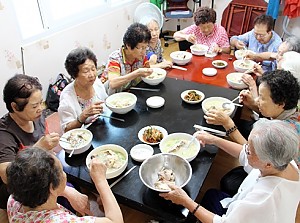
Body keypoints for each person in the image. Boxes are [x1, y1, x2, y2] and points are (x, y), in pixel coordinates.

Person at [160, 119, 300, 223]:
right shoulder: (284, 160)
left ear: (267, 164)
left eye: (249, 150)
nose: (245, 149)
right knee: (211, 195)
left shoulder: (262, 199)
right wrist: (214, 139)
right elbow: (244, 155)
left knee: (191, 206)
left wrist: (185, 201)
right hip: (239, 207)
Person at [0, 74, 90, 215]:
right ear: (15, 107)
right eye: (35, 106)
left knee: (79, 175)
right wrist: (39, 148)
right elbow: (6, 176)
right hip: (26, 190)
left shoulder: (36, 115)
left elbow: (49, 153)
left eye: (41, 102)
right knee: (69, 198)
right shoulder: (4, 133)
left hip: (44, 174)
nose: (41, 109)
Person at [6, 147, 124, 223]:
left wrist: (67, 191)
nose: (64, 174)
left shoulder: (14, 199)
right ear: (51, 187)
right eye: (62, 171)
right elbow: (116, 221)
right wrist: (100, 180)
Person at [205, 70, 300, 148]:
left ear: (280, 103)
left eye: (262, 98)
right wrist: (253, 105)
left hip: (267, 167)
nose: (257, 100)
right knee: (243, 125)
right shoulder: (290, 110)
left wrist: (228, 124)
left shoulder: (280, 134)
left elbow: (251, 154)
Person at [58, 47, 108, 132]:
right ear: (74, 74)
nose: (92, 74)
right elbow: (67, 129)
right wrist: (82, 117)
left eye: (93, 69)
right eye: (86, 71)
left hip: (101, 128)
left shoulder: (97, 84)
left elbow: (106, 106)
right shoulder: (67, 97)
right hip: (82, 137)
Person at [102, 23, 153, 94]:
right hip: (110, 97)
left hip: (130, 94)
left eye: (145, 47)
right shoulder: (115, 58)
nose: (144, 52)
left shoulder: (141, 56)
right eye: (141, 48)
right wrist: (137, 73)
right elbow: (113, 83)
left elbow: (147, 75)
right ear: (128, 45)